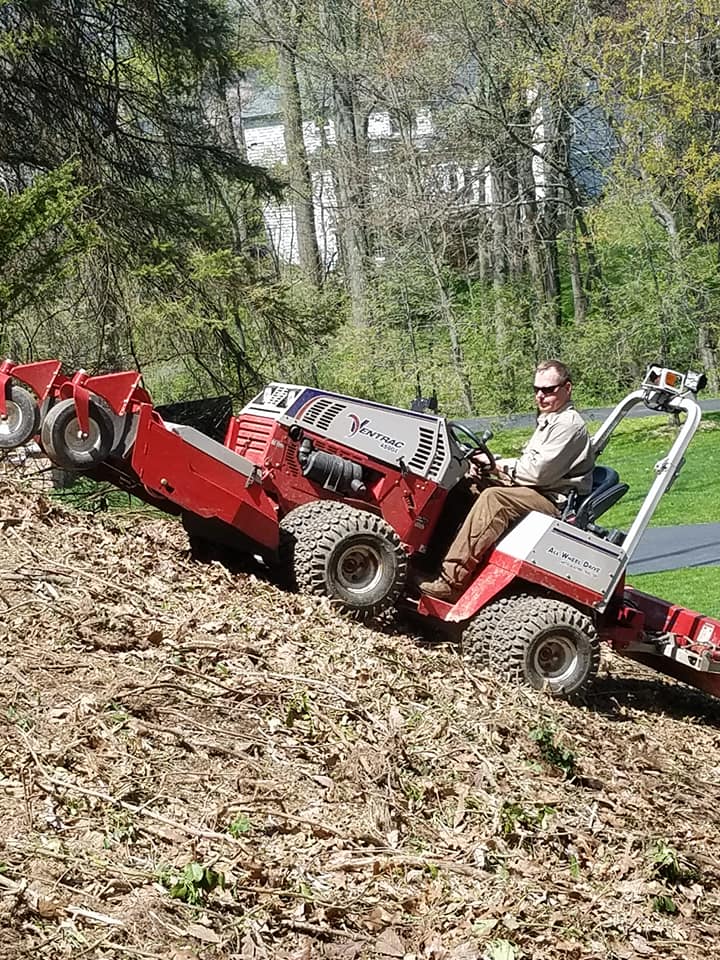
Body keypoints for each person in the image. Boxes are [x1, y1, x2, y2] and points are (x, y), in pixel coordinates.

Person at [418, 360, 595, 602]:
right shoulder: (551, 419)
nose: (541, 396)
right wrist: (492, 467)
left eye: (548, 389)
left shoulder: (569, 425)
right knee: (463, 487)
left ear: (567, 388)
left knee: (494, 499)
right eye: (536, 390)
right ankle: (426, 558)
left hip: (552, 501)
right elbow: (530, 464)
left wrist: (496, 466)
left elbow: (536, 474)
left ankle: (452, 580)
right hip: (533, 489)